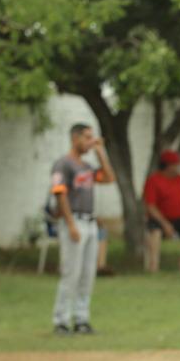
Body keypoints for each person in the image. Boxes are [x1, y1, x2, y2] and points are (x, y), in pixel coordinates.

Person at [49, 123, 116, 335]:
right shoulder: (63, 164)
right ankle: (61, 320)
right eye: (87, 138)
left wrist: (100, 153)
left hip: (89, 222)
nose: (90, 142)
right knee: (71, 273)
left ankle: (81, 319)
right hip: (74, 221)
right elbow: (60, 194)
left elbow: (108, 178)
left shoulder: (86, 167)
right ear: (75, 139)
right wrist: (70, 224)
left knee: (88, 274)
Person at [142, 149, 180, 273]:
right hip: (159, 220)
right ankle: (153, 266)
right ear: (168, 166)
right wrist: (165, 224)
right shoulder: (154, 180)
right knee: (155, 232)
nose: (179, 167)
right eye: (176, 165)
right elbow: (151, 206)